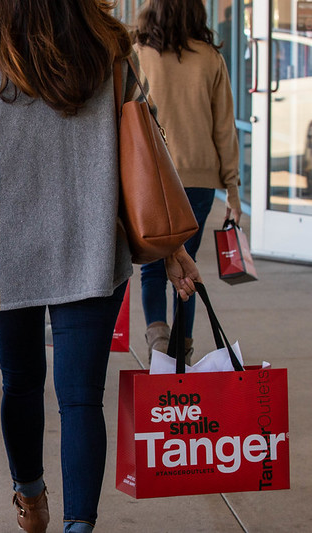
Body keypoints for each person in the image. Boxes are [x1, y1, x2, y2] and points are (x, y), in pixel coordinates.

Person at [0, 1, 201, 532]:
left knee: (21, 381)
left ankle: (31, 495)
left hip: (4, 251)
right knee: (81, 399)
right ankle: (79, 526)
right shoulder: (107, 44)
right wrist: (175, 249)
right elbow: (148, 145)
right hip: (92, 245)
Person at [134, 0, 241, 363]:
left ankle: (158, 342)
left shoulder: (139, 54)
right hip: (198, 178)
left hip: (153, 177)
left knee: (152, 268)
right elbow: (224, 130)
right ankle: (183, 350)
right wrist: (234, 191)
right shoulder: (211, 58)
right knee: (187, 267)